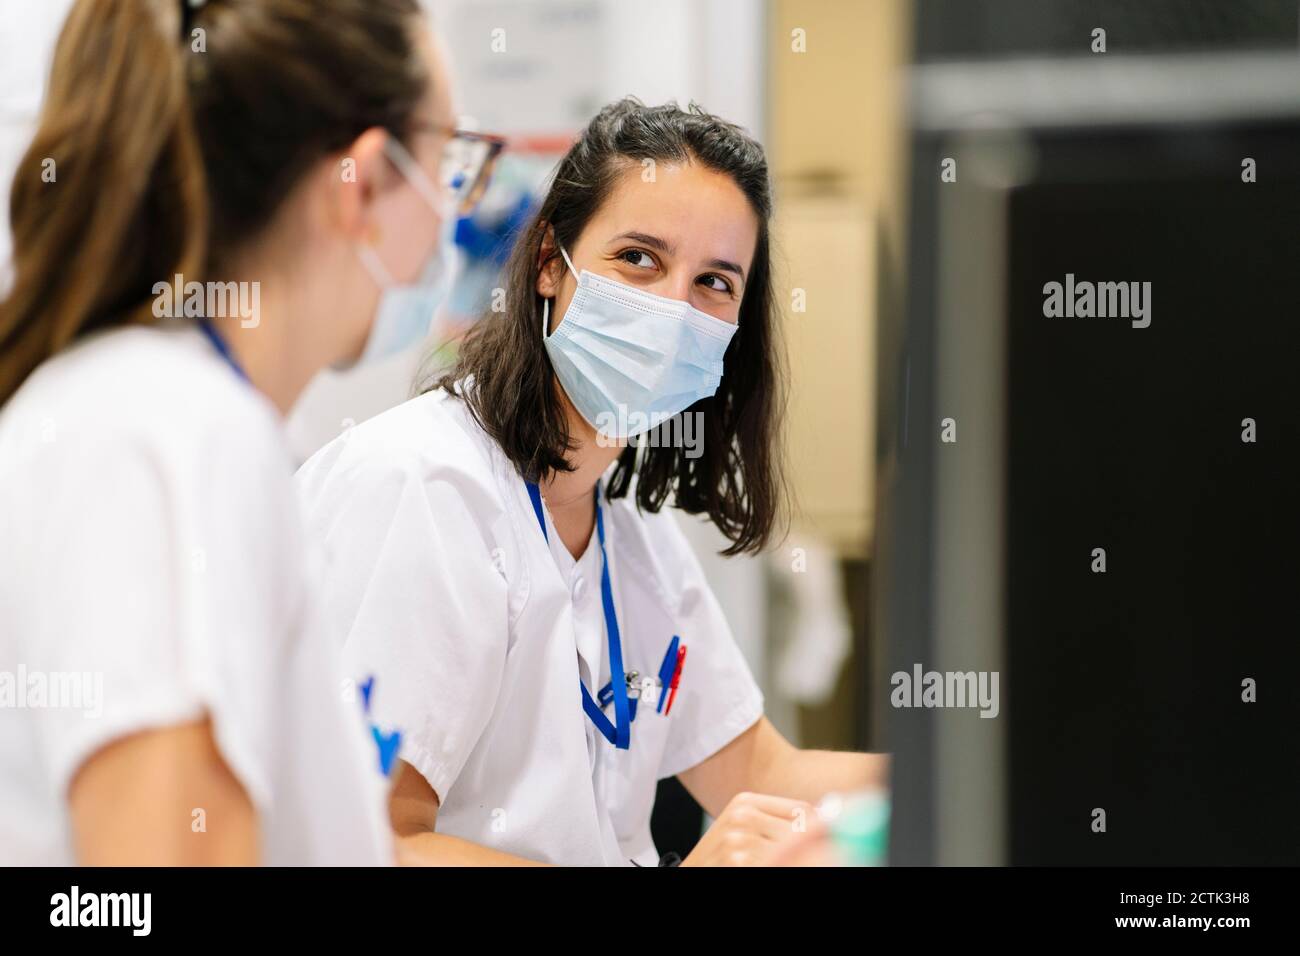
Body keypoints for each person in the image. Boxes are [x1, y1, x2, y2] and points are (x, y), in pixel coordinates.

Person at [295, 98, 890, 866]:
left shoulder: (630, 532)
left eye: (714, 281)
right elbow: (376, 844)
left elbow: (764, 772)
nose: (674, 308)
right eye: (639, 258)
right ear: (550, 262)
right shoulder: (425, 487)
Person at [0, 0, 495, 864]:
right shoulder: (172, 435)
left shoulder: (167, 413)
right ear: (363, 184)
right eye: (448, 163)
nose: (455, 214)